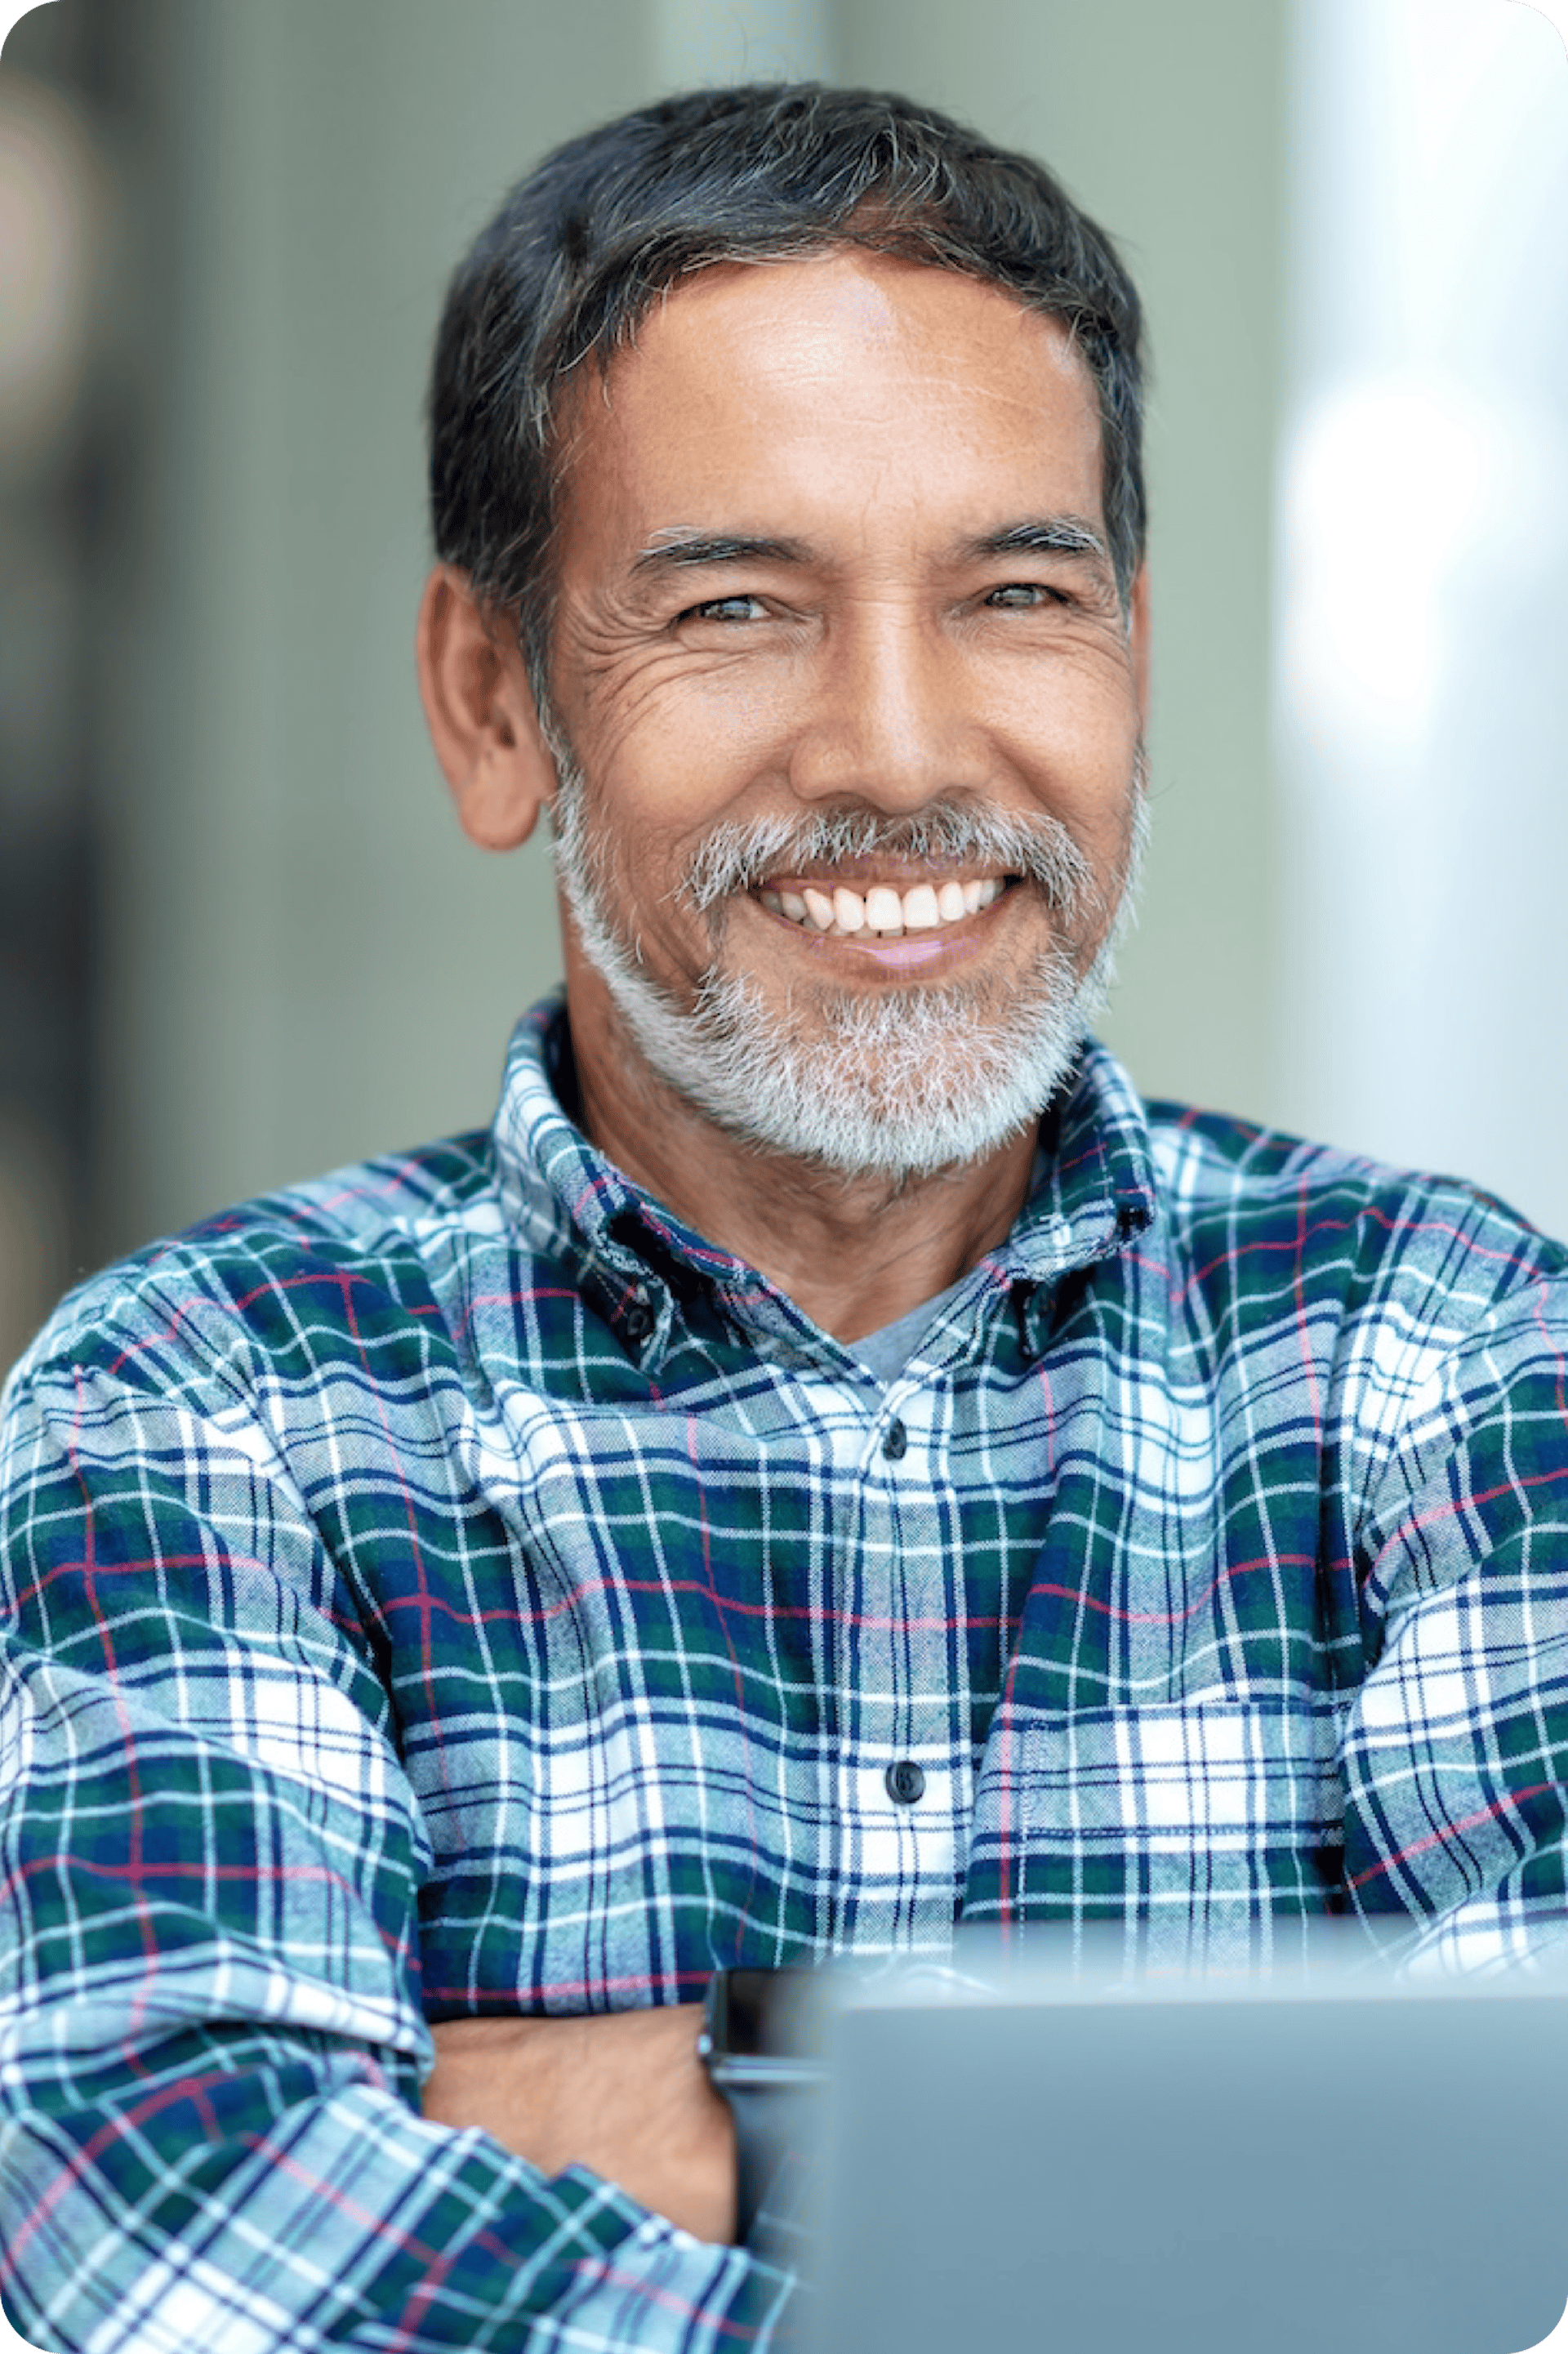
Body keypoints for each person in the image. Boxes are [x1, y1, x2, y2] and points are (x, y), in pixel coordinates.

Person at [1, 78, 1566, 2354]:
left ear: (1134, 655)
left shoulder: (1443, 1348)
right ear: (491, 701)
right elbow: (168, 2207)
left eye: (1019, 593)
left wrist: (723, 2101)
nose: (904, 749)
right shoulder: (210, 1401)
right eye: (739, 607)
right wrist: (1242, 2200)